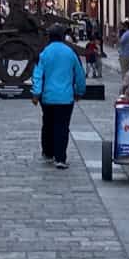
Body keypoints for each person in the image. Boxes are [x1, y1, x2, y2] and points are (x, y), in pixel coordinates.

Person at [31, 25, 86, 169]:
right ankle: (60, 158)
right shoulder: (70, 53)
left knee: (48, 124)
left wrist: (36, 93)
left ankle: (48, 153)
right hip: (65, 97)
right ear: (62, 36)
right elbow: (79, 74)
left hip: (47, 97)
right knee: (62, 127)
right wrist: (80, 91)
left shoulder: (44, 53)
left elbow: (37, 74)